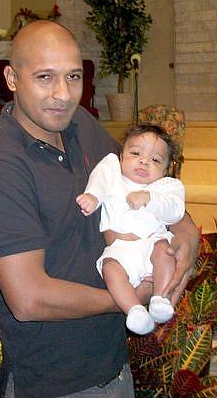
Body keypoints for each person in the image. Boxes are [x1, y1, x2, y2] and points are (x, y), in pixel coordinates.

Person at [0, 20, 199, 397]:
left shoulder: (81, 125)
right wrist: (127, 298)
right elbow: (28, 298)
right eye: (45, 77)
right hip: (56, 381)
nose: (63, 94)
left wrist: (187, 231)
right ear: (12, 78)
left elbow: (142, 181)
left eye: (73, 76)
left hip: (112, 363)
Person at [76, 124, 185, 335]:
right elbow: (99, 179)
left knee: (165, 251)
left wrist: (150, 199)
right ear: (121, 156)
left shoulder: (167, 186)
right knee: (110, 268)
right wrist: (93, 196)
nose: (144, 161)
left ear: (165, 169)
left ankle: (160, 298)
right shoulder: (113, 173)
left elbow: (176, 211)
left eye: (155, 160)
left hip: (151, 244)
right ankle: (134, 310)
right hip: (119, 249)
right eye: (135, 153)